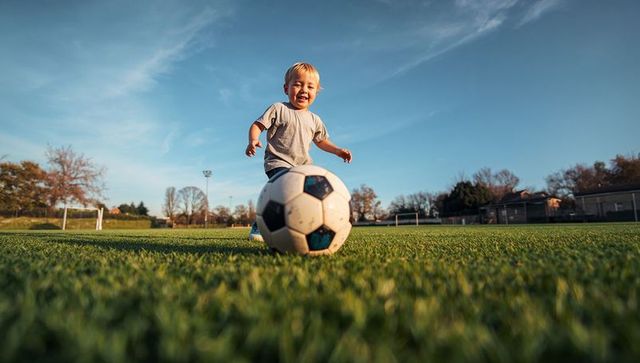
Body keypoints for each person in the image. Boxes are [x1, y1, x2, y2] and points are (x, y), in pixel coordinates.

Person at [245, 62, 352, 241]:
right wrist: (253, 140)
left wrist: (338, 151)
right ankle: (259, 227)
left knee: (306, 199)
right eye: (297, 84)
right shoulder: (279, 109)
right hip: (278, 162)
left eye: (310, 86)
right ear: (286, 88)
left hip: (303, 168)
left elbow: (321, 141)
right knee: (280, 195)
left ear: (316, 92)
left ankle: (305, 228)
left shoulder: (315, 120)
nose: (304, 89)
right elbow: (258, 125)